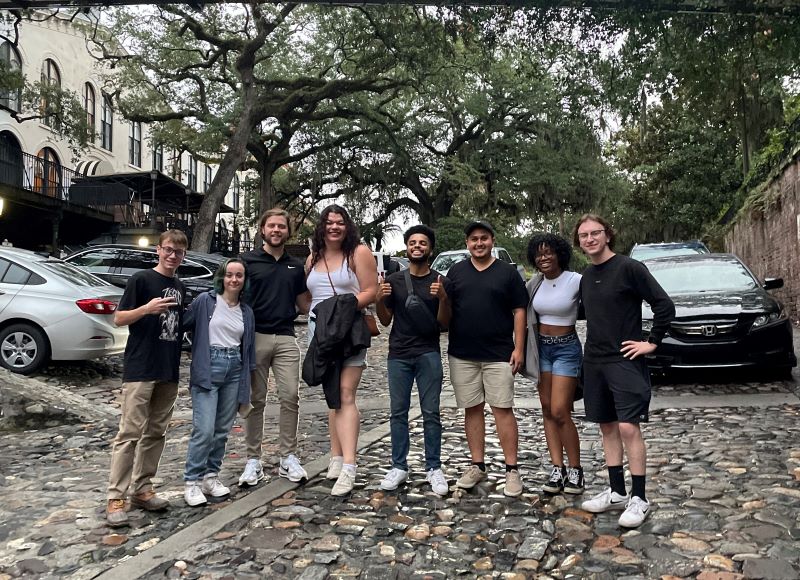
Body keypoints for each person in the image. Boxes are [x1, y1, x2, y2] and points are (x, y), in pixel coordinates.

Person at [574, 214, 674, 528]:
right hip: (595, 362)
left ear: (607, 235)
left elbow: (664, 304)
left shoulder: (629, 268)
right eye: (583, 235)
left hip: (624, 360)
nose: (589, 239)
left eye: (595, 233)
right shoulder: (587, 276)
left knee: (629, 428)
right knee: (607, 427)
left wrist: (651, 342)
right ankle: (617, 491)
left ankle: (639, 497)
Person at [105, 229, 188, 528]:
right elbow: (119, 318)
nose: (172, 255)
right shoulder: (141, 280)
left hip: (168, 368)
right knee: (129, 433)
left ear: (183, 255)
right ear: (158, 250)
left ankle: (142, 488)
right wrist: (147, 309)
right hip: (141, 367)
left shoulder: (180, 286)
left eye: (178, 252)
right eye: (168, 249)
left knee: (156, 432)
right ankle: (116, 497)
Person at [441, 220, 529, 497]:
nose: (479, 243)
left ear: (492, 240)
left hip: (499, 353)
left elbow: (519, 311)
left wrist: (519, 348)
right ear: (467, 243)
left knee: (502, 408)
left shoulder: (507, 273)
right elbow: (446, 310)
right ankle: (477, 464)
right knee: (472, 408)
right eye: (473, 239)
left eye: (484, 238)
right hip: (463, 353)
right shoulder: (455, 272)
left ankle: (512, 469)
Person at [304, 204, 378, 496]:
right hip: (319, 332)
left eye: (340, 222)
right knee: (332, 396)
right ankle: (335, 458)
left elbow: (371, 289)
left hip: (348, 330)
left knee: (346, 393)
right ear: (321, 227)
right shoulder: (313, 258)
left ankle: (349, 465)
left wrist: (343, 308)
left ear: (348, 227)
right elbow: (310, 295)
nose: (334, 227)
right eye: (329, 222)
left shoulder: (358, 253)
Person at [375, 225, 451, 496]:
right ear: (406, 247)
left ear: (430, 248)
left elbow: (445, 324)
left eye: (422, 243)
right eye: (412, 242)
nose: (417, 246)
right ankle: (399, 466)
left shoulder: (441, 281)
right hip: (399, 354)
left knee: (431, 412)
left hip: (428, 353)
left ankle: (434, 467)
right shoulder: (395, 281)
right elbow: (385, 321)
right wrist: (378, 300)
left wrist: (443, 298)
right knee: (398, 412)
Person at [239, 209, 311, 487]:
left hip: (285, 336)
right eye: (272, 226)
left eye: (282, 226)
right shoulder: (247, 261)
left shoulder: (295, 266)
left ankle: (288, 457)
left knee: (291, 396)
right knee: (255, 399)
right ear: (262, 230)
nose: (277, 230)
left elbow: (304, 303)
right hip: (255, 335)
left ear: (288, 231)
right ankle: (252, 460)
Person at [183, 258, 256, 506]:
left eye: (239, 276)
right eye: (229, 275)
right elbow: (185, 323)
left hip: (234, 369)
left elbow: (248, 348)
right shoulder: (206, 301)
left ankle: (210, 476)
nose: (234, 280)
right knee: (203, 429)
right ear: (221, 278)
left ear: (245, 281)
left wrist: (248, 378)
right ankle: (192, 481)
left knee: (222, 430)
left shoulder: (246, 311)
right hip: (208, 366)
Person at [522, 233, 584, 495]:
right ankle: (557, 468)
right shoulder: (534, 283)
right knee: (547, 409)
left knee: (560, 410)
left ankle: (576, 470)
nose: (543, 257)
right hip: (541, 349)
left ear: (560, 254)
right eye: (538, 253)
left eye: (548, 252)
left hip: (566, 348)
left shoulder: (576, 280)